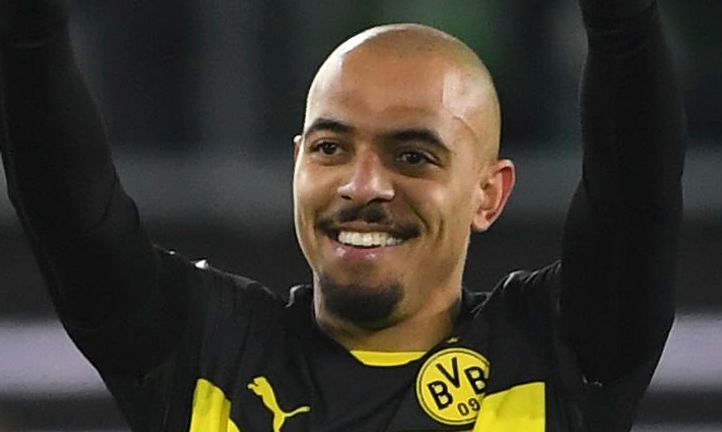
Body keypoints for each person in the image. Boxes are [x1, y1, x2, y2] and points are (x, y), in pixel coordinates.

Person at [0, 0, 684, 430]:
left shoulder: (553, 355)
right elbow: (73, 218)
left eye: (413, 157)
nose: (362, 185)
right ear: (298, 162)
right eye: (331, 147)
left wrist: (623, 22)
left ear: (488, 194)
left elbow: (638, 200)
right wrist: (28, 27)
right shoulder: (202, 350)